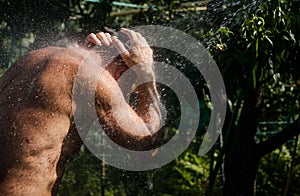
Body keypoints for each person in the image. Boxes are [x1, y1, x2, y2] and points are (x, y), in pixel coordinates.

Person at [0, 28, 162, 195]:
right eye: (128, 90)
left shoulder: (33, 58)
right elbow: (149, 144)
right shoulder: (92, 76)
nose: (123, 96)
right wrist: (146, 74)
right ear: (122, 69)